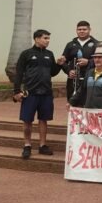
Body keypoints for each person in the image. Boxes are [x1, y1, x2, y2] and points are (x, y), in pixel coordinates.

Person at [13, 29, 65, 159]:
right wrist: (16, 91)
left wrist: (58, 65)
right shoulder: (26, 54)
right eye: (45, 38)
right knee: (27, 121)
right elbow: (18, 73)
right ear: (36, 39)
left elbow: (52, 72)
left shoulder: (49, 54)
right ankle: (27, 145)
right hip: (30, 93)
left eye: (48, 38)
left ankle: (42, 145)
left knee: (43, 120)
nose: (48, 41)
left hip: (46, 93)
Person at [61, 20, 98, 107]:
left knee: (88, 105)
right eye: (79, 29)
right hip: (73, 81)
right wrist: (68, 71)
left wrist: (89, 62)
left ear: (89, 30)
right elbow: (63, 61)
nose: (81, 31)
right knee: (72, 105)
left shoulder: (96, 44)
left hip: (90, 79)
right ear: (76, 30)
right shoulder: (70, 45)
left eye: (84, 29)